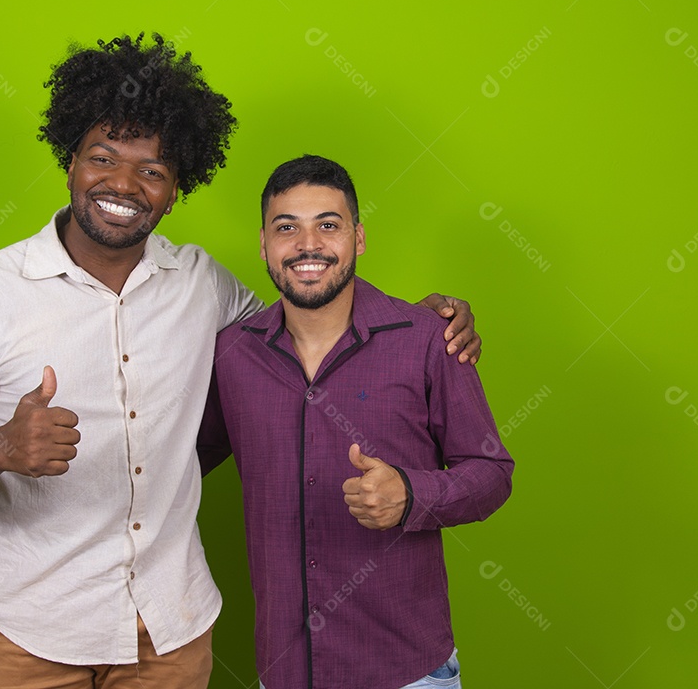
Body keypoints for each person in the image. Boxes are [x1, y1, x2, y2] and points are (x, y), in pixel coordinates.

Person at [0, 34, 481, 688]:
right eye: (103, 158)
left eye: (152, 170)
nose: (122, 183)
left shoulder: (205, 285)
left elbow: (312, 329)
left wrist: (414, 324)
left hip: (173, 634)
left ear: (175, 192)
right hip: (33, 635)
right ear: (70, 163)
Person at [199, 155, 514, 689]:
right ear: (264, 245)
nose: (307, 245)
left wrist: (412, 494)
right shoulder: (233, 354)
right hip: (283, 670)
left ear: (358, 237)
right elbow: (169, 464)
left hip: (407, 671)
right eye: (286, 228)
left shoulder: (427, 340)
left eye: (328, 224)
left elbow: (491, 471)